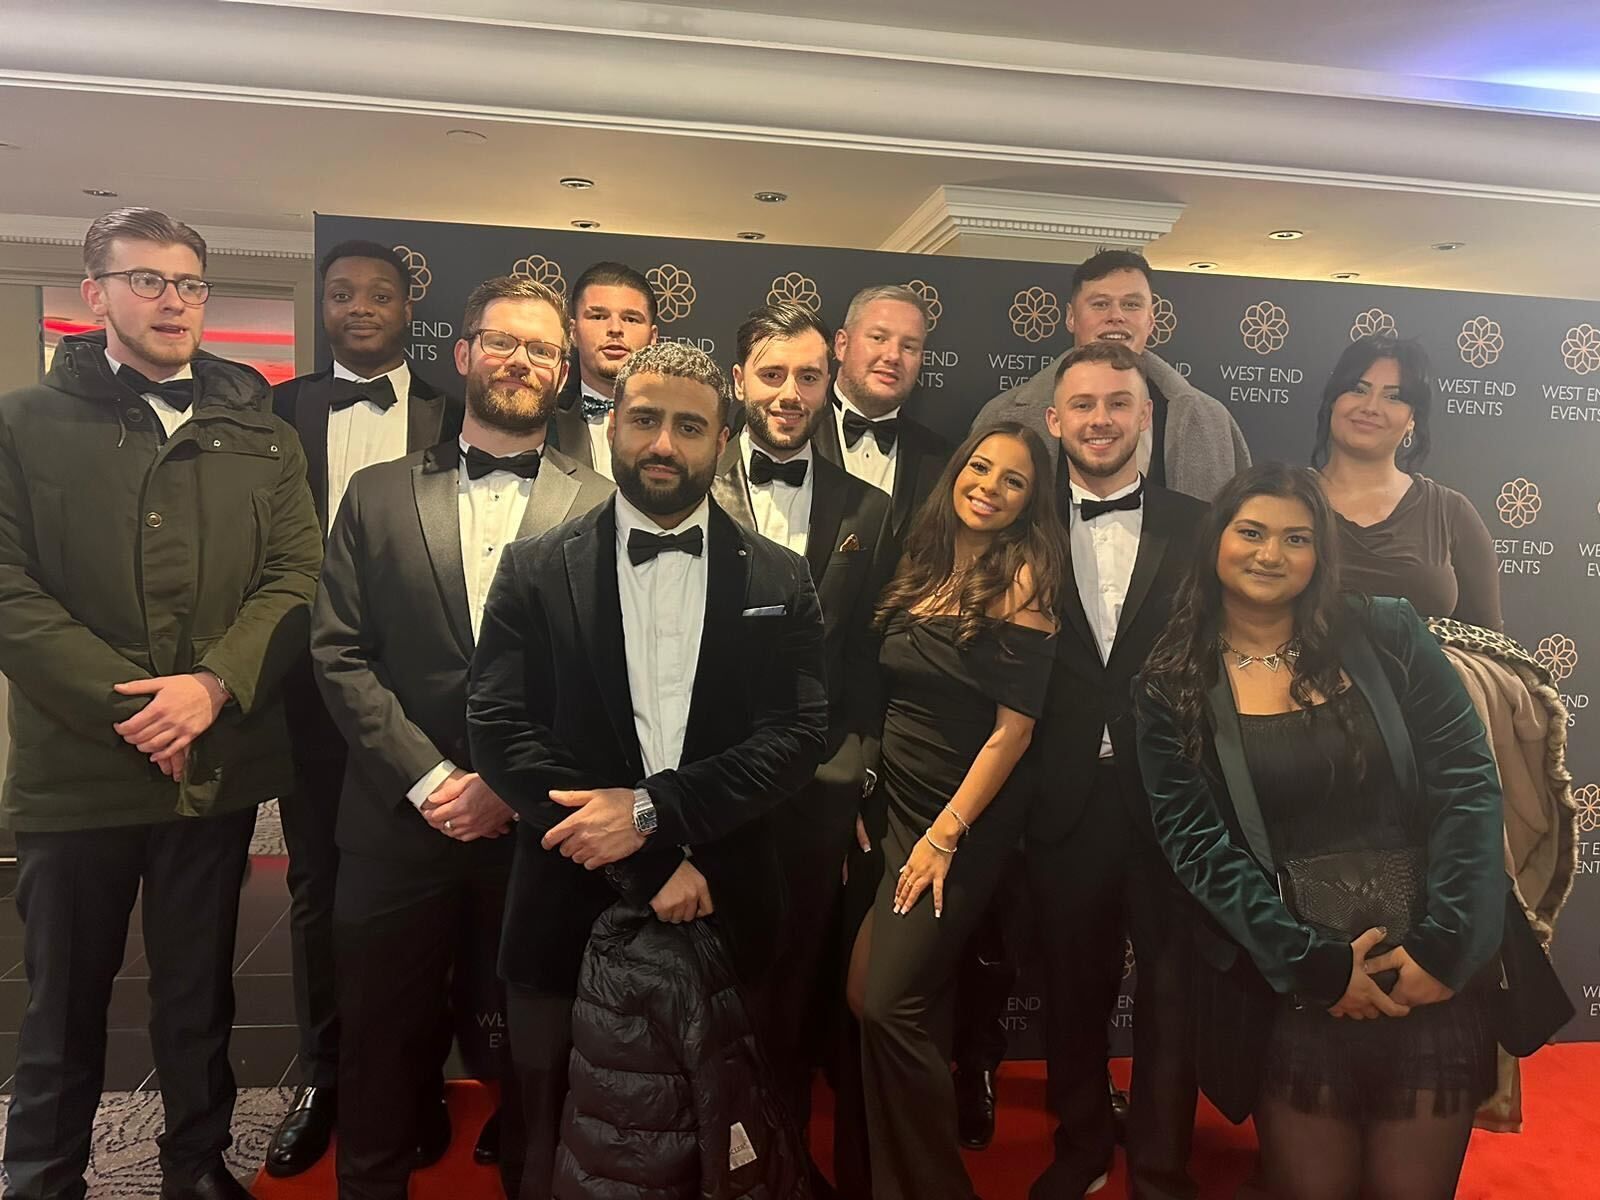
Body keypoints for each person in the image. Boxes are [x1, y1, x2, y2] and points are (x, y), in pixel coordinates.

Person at [0, 208, 322, 1200]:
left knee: (196, 996)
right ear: (93, 294)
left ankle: (195, 1167)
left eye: (188, 284)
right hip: (77, 772)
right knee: (61, 1005)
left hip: (213, 765)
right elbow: (10, 587)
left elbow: (297, 575)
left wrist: (212, 687)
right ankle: (44, 1177)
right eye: (148, 281)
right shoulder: (23, 425)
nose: (172, 301)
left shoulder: (259, 432)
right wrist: (137, 707)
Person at [466, 340, 829, 1198]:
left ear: (724, 438)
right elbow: (499, 731)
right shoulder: (532, 567)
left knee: (731, 1138)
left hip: (729, 901)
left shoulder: (782, 576)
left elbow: (799, 734)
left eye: (690, 426)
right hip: (566, 909)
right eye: (644, 420)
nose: (663, 443)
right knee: (551, 1136)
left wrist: (652, 815)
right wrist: (650, 858)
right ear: (610, 429)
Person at [310, 276, 612, 1200]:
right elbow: (340, 654)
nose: (521, 362)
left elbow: (609, 678)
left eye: (542, 350)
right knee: (377, 1043)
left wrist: (503, 785)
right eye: (504, 343)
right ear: (465, 354)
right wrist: (433, 777)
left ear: (562, 372)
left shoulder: (603, 505)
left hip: (539, 834)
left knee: (538, 1051)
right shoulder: (375, 493)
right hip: (396, 828)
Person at [1135, 464, 1506, 1200]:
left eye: (1296, 538)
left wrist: (1445, 945)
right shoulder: (1171, 680)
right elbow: (1198, 847)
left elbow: (1468, 782)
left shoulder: (1388, 630)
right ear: (1216, 542)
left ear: (1320, 554)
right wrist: (1315, 966)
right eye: (1252, 532)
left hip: (1426, 981)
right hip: (1300, 995)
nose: (1271, 554)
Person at [266, 239, 466, 1179]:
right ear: (323, 302)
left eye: (379, 294)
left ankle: (417, 1075)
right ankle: (325, 1074)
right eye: (341, 293)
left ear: (410, 310)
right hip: (309, 700)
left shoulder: (455, 416)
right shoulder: (275, 412)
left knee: (424, 906)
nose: (359, 307)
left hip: (424, 712)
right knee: (317, 893)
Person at [848, 422, 1062, 1200]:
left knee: (888, 1004)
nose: (990, 487)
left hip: (959, 816)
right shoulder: (921, 559)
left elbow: (1015, 733)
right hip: (896, 799)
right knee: (879, 998)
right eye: (981, 468)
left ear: (1032, 503)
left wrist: (944, 836)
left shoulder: (1025, 574)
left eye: (1015, 481)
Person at [710, 301, 896, 1190]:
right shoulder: (686, 483)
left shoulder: (871, 506)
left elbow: (869, 655)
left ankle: (780, 1161)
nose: (791, 394)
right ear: (739, 377)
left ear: (831, 384)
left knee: (792, 988)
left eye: (809, 377)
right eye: (773, 374)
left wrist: (855, 773)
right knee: (711, 980)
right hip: (705, 785)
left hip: (820, 790)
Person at [1026, 343, 1208, 1200]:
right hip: (1061, 796)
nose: (1101, 418)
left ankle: (1163, 1162)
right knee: (1072, 983)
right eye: (1084, 404)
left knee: (1174, 989)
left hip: (1174, 796)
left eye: (1118, 404)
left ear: (1145, 417)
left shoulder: (1202, 526)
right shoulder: (1016, 524)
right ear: (1054, 420)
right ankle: (1084, 1141)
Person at [973, 249, 1249, 502]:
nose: (1116, 316)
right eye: (1100, 304)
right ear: (1071, 317)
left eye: (1131, 305)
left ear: (1151, 320)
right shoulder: (1003, 416)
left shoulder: (1213, 422)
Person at [1310, 335, 1501, 631]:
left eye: (1393, 397)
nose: (1370, 406)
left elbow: (1489, 644)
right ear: (1333, 401)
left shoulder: (1450, 512)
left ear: (1413, 419)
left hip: (1422, 679)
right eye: (1358, 389)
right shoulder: (1286, 498)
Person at [814, 283, 955, 537]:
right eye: (879, 338)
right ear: (841, 345)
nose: (893, 356)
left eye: (909, 346)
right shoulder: (795, 435)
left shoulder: (941, 459)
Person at [550, 260, 659, 479]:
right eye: (598, 317)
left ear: (653, 336)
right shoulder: (541, 422)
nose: (615, 329)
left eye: (630, 319)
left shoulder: (682, 422)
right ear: (572, 332)